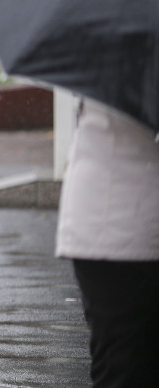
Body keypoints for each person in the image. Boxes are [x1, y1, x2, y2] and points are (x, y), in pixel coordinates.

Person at [56, 100, 159, 387]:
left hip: (96, 216)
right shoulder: (139, 71)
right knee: (126, 363)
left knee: (121, 357)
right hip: (126, 223)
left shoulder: (104, 68)